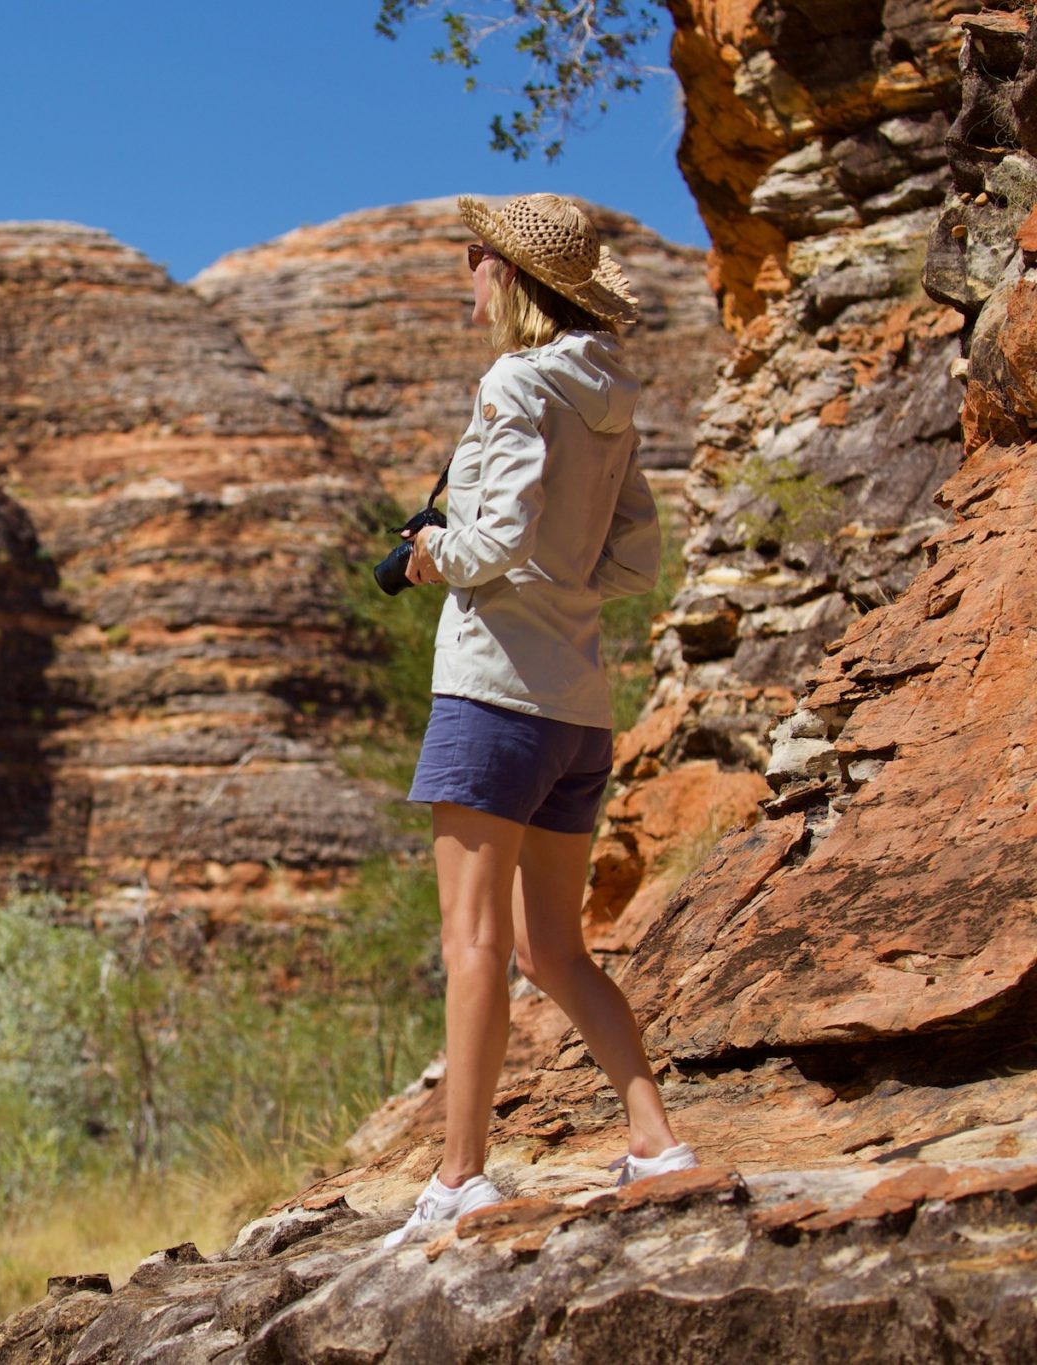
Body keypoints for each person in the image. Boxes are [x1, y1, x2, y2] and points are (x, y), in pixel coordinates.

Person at [381, 193, 695, 1250]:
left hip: (490, 698)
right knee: (551, 949)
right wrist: (565, 588)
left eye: (474, 259)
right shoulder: (608, 392)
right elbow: (636, 553)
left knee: (473, 942)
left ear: (509, 278)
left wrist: (438, 556)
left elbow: (496, 533)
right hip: (576, 712)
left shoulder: (514, 381)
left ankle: (459, 1177)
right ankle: (655, 1143)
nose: (465, 274)